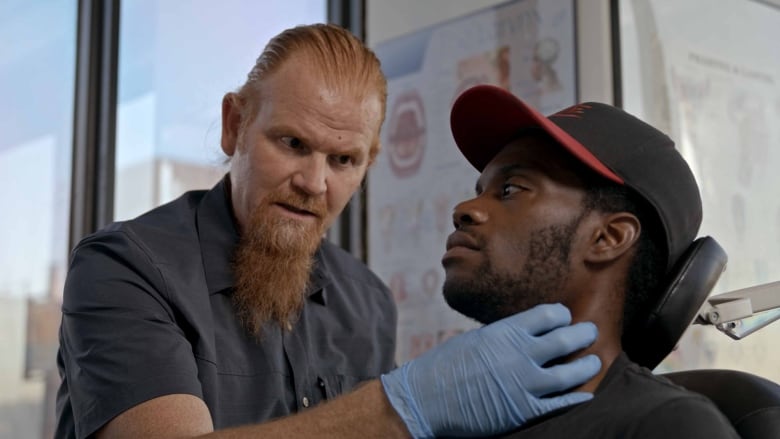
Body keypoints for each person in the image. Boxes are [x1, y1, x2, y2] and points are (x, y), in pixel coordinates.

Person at [55, 24, 602, 439]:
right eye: (292, 144)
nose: (314, 183)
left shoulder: (367, 301)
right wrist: (398, 407)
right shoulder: (123, 269)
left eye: (344, 160)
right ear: (234, 126)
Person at [442, 84, 739, 438]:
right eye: (480, 191)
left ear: (607, 238)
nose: (464, 210)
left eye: (510, 189)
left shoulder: (668, 427)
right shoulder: (450, 417)